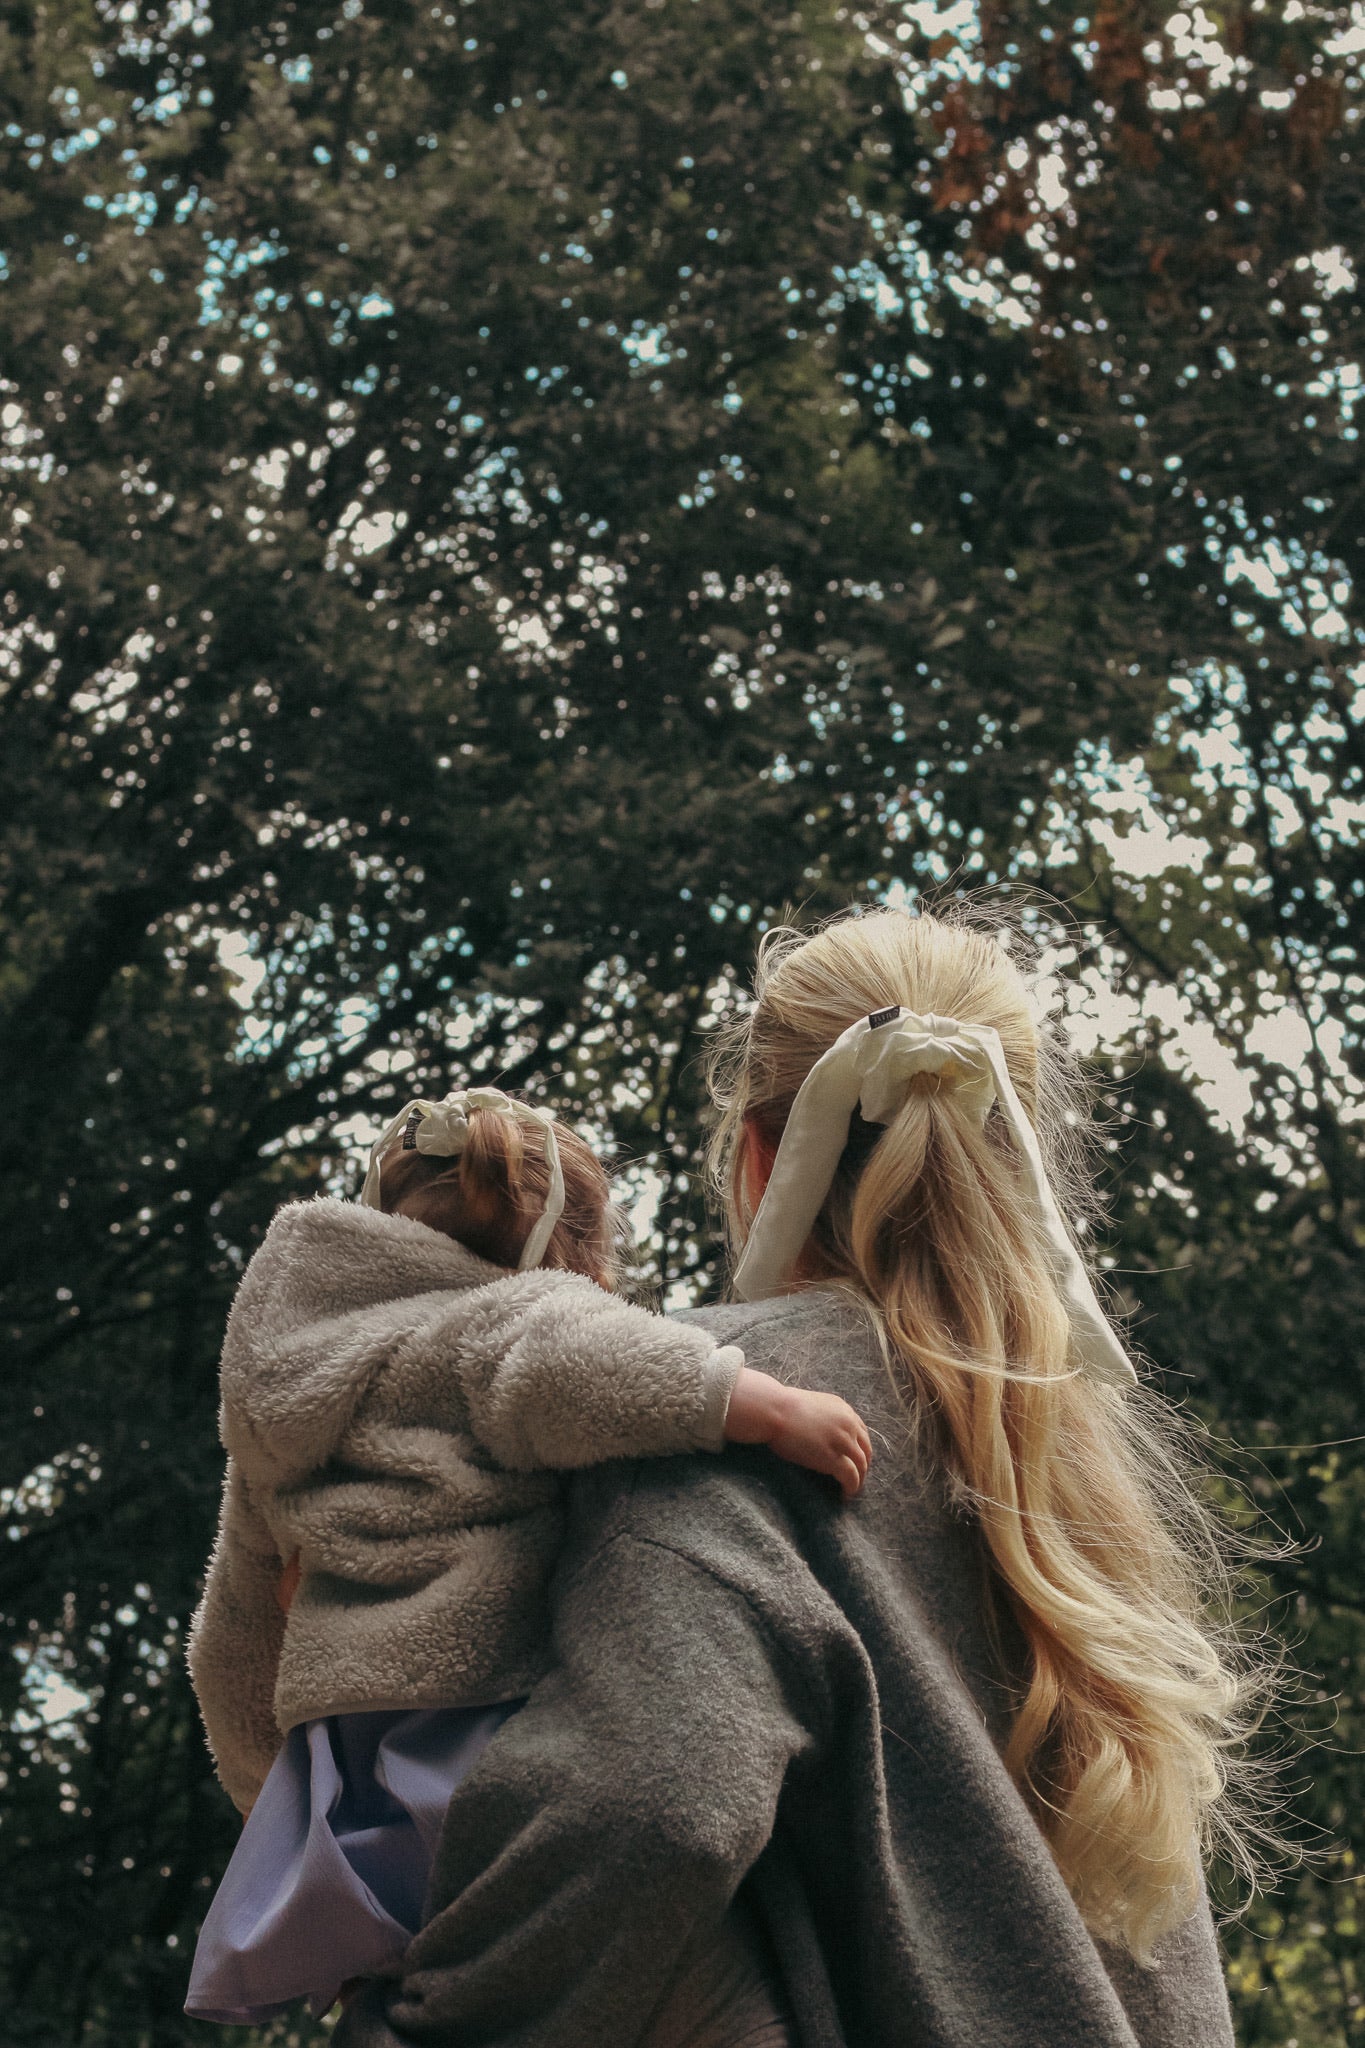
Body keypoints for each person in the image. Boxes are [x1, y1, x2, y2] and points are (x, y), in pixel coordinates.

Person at [331, 905, 1257, 2048]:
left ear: (760, 1154)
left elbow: (656, 1803)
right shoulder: (1082, 1489)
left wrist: (419, 2018)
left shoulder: (714, 1414)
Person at [184, 1084, 870, 2028]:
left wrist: (278, 1798)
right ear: (571, 1264)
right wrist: (756, 1403)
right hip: (478, 1721)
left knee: (409, 1949)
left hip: (346, 1767)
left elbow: (234, 1636)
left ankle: (365, 1931)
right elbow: (575, 1367)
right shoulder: (506, 1320)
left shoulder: (280, 1411)